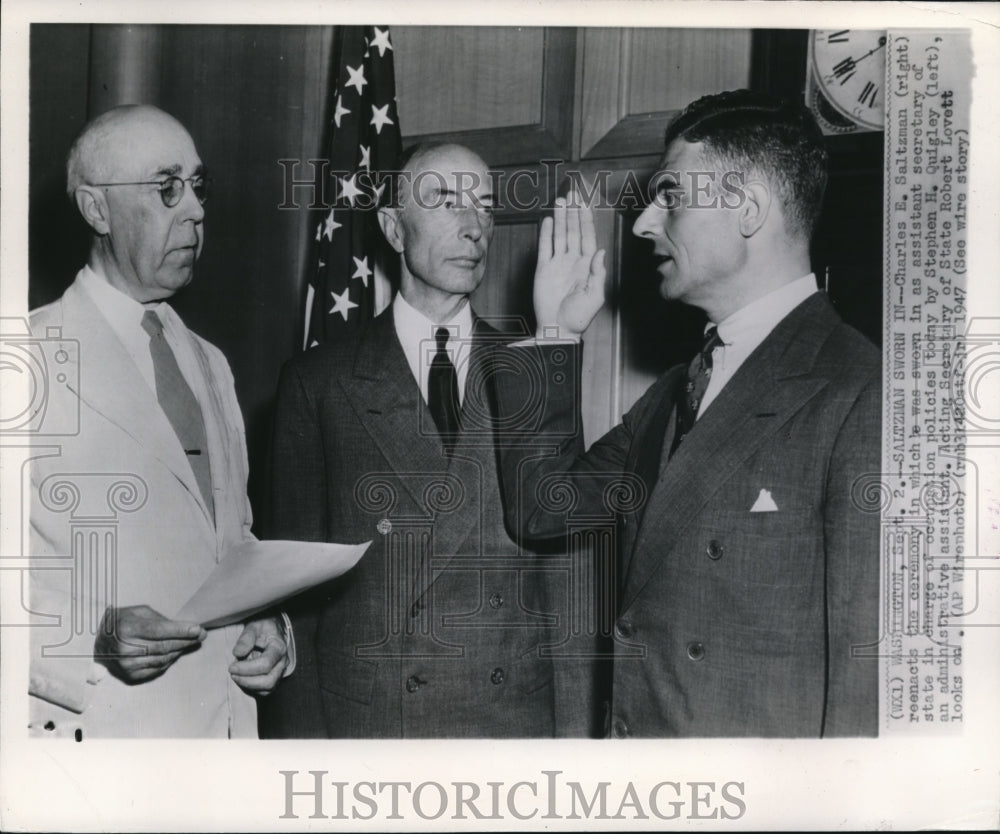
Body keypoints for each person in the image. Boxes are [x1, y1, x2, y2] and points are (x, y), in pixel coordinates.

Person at [494, 89, 880, 737]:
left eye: (671, 195)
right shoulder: (678, 391)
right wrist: (556, 334)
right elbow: (544, 506)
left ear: (748, 209)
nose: (643, 223)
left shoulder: (861, 391)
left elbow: (865, 693)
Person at [261, 143, 589, 738]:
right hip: (374, 726)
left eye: (485, 208)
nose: (473, 227)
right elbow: (295, 588)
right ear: (393, 226)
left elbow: (565, 579)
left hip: (508, 726)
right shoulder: (319, 381)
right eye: (444, 201)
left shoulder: (535, 369)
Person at [28, 104, 292, 738]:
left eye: (198, 186)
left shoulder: (211, 363)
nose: (196, 210)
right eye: (166, 187)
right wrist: (93, 635)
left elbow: (233, 542)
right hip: (105, 743)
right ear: (96, 210)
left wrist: (269, 625)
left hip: (224, 740)